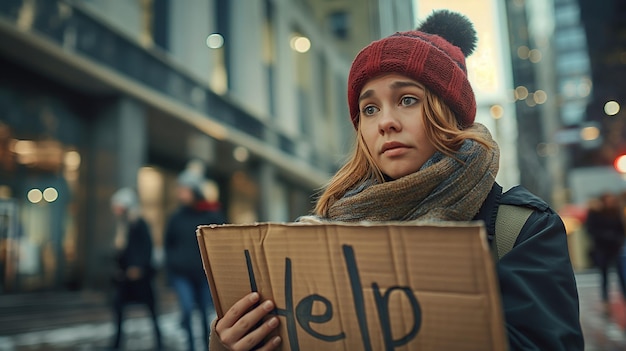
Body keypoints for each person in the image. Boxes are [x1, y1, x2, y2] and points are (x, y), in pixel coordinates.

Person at [209, 10, 584, 351]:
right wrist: (233, 344)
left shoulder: (521, 230)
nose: (385, 121)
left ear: (448, 114)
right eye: (369, 109)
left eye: (407, 100)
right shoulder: (327, 231)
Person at [165, 168, 227, 351]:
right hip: (181, 273)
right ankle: (191, 346)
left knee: (203, 313)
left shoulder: (209, 214)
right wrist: (172, 265)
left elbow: (221, 238)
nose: (180, 193)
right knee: (186, 308)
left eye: (184, 189)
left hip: (203, 275)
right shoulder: (176, 217)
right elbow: (169, 243)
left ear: (194, 191)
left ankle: (205, 346)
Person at [109, 187, 162, 350]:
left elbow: (147, 248)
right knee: (118, 309)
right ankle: (117, 344)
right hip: (126, 278)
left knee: (152, 312)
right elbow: (121, 253)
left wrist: (138, 267)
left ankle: (160, 343)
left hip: (141, 278)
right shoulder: (123, 226)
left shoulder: (140, 224)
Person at [585, 192, 626, 314]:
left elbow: (621, 228)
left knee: (622, 276)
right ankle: (605, 301)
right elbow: (591, 230)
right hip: (602, 249)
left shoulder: (615, 211)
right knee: (604, 276)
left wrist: (617, 239)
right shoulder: (595, 213)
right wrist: (607, 236)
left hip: (615, 248)